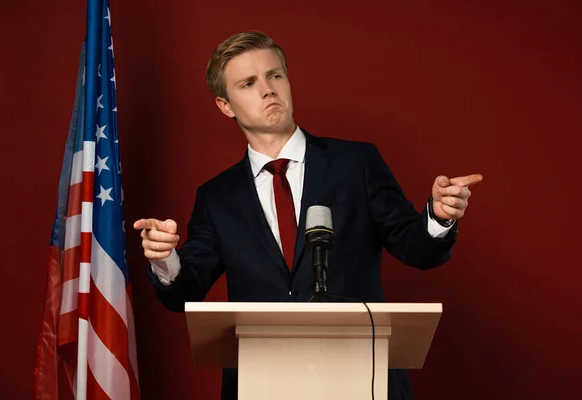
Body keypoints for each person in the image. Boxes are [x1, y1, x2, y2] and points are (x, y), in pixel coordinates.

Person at [134, 31, 482, 400]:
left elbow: (416, 249)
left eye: (275, 75)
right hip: (261, 382)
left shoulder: (356, 163)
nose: (267, 89)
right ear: (225, 106)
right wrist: (164, 258)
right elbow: (185, 291)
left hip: (361, 374)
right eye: (249, 83)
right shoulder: (217, 196)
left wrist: (439, 216)